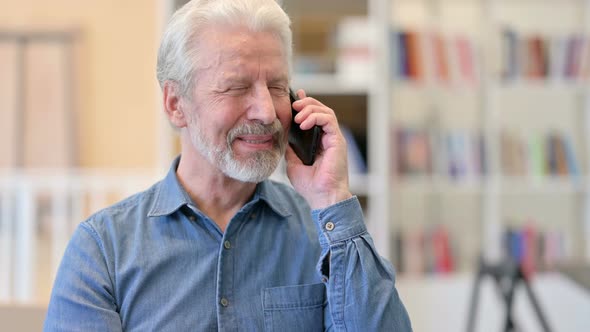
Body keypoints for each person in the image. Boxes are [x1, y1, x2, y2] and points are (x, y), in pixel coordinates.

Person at [43, 0, 412, 331]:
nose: (267, 112)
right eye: (236, 87)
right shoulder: (103, 250)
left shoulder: (326, 235)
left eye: (278, 87)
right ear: (176, 104)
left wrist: (331, 196)